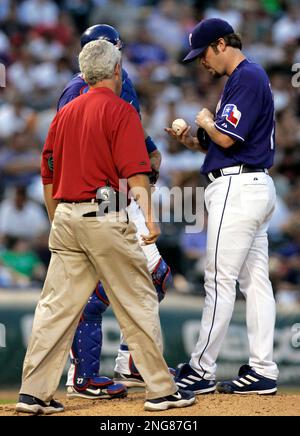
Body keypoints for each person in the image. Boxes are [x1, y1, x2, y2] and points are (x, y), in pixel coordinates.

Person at [15, 40, 195, 414]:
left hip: (65, 215)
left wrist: (57, 217)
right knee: (138, 299)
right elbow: (137, 172)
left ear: (84, 74)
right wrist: (148, 218)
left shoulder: (63, 113)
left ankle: (32, 394)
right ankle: (162, 390)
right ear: (116, 71)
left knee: (55, 308)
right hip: (104, 215)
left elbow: (46, 173)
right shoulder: (120, 110)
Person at [58, 24, 173, 400]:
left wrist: (149, 148)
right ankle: (83, 373)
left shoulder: (124, 83)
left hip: (120, 190)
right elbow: (69, 149)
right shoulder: (77, 90)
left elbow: (131, 125)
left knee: (155, 276)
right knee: (97, 289)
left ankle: (131, 360)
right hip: (99, 195)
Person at [166, 18, 279, 395]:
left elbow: (227, 139)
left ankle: (200, 369)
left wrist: (206, 122)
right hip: (252, 183)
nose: (200, 63)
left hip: (238, 186)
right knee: (255, 282)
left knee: (219, 280)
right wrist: (194, 139)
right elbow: (223, 142)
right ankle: (263, 369)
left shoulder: (246, 76)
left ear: (219, 43)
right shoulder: (245, 78)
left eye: (202, 54)